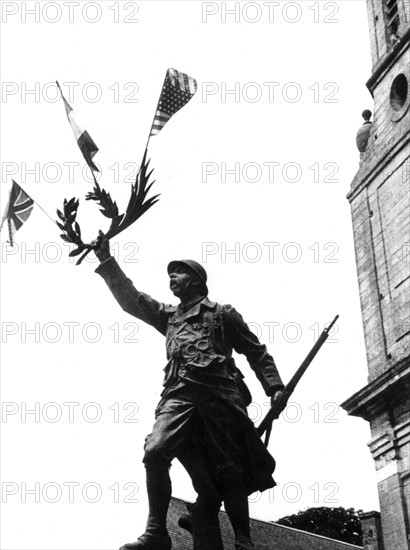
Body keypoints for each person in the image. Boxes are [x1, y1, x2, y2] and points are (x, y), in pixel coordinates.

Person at [93, 235, 284, 550]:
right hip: (179, 395)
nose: (171, 279)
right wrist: (107, 260)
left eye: (177, 273)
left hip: (219, 396)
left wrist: (274, 386)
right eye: (170, 275)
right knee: (155, 451)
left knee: (229, 470)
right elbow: (133, 300)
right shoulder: (168, 316)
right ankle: (156, 533)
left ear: (196, 280)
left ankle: (243, 539)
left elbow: (256, 352)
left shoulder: (223, 313)